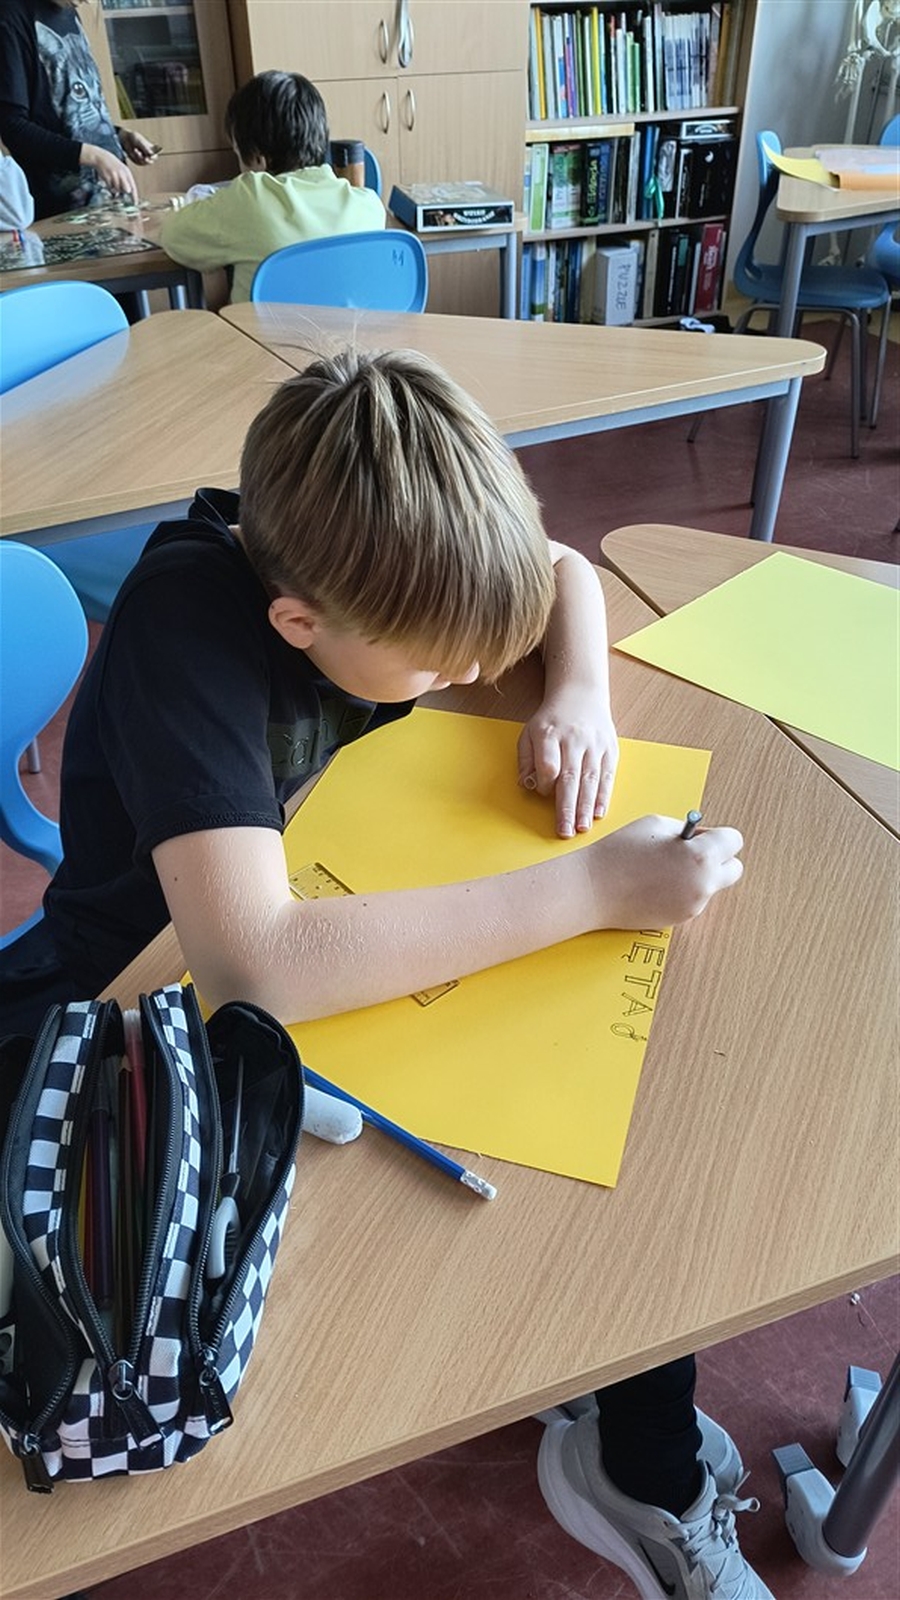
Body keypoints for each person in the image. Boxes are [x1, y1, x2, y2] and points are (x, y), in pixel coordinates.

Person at [0, 346, 762, 1598]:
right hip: (126, 1013)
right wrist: (596, 889)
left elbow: (561, 572)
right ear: (300, 627)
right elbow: (252, 958)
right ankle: (633, 1445)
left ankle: (628, 1422)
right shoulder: (187, 626)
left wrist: (577, 693)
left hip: (314, 913)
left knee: (595, 1130)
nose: (468, 678)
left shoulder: (366, 566)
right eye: (440, 665)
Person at [159, 71, 385, 307]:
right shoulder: (369, 206)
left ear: (258, 158)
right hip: (353, 330)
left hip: (261, 332)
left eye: (238, 153)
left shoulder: (250, 199)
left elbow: (173, 237)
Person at [0, 0, 158, 220]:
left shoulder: (69, 11)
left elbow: (70, 115)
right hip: (63, 209)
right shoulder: (10, 16)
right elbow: (12, 127)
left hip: (110, 201)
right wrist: (93, 156)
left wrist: (120, 135)